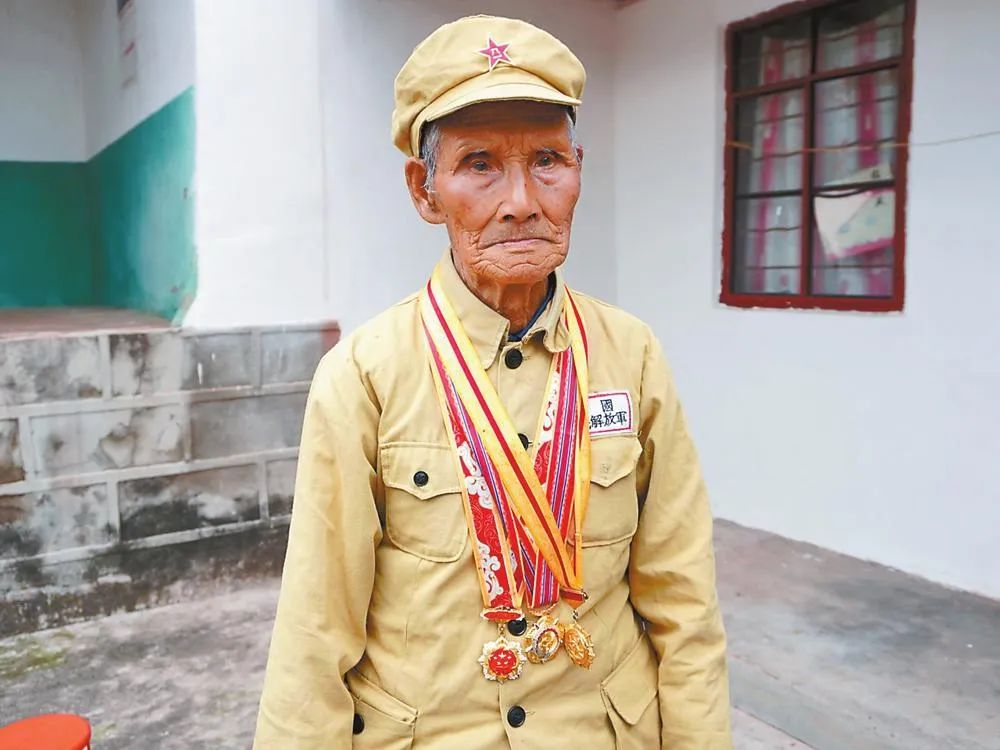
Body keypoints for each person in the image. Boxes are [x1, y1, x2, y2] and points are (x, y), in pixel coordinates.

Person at [253, 15, 732, 749]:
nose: (521, 201)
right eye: (479, 164)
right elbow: (316, 631)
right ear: (425, 190)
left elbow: (684, 603)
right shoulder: (365, 374)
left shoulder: (631, 355)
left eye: (547, 160)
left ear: (578, 169)